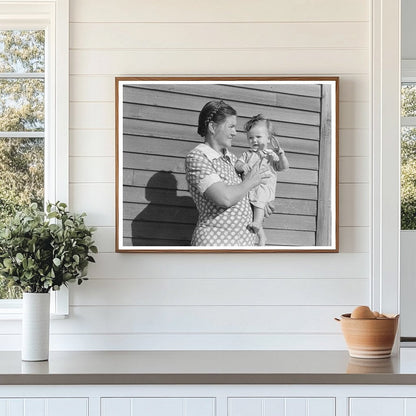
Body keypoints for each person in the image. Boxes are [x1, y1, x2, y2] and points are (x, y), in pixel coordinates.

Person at [185, 100, 271, 246]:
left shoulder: (231, 158)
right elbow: (224, 198)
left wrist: (260, 202)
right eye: (231, 126)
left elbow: (241, 194)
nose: (235, 132)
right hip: (216, 243)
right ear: (212, 127)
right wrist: (251, 181)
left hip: (242, 244)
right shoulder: (198, 157)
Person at [235, 114, 289, 246]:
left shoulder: (271, 155)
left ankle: (258, 224)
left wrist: (282, 155)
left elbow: (283, 167)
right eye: (250, 138)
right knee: (252, 213)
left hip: (264, 188)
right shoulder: (247, 154)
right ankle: (262, 237)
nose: (254, 140)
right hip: (249, 188)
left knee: (259, 204)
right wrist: (243, 166)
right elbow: (237, 164)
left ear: (269, 138)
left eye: (258, 137)